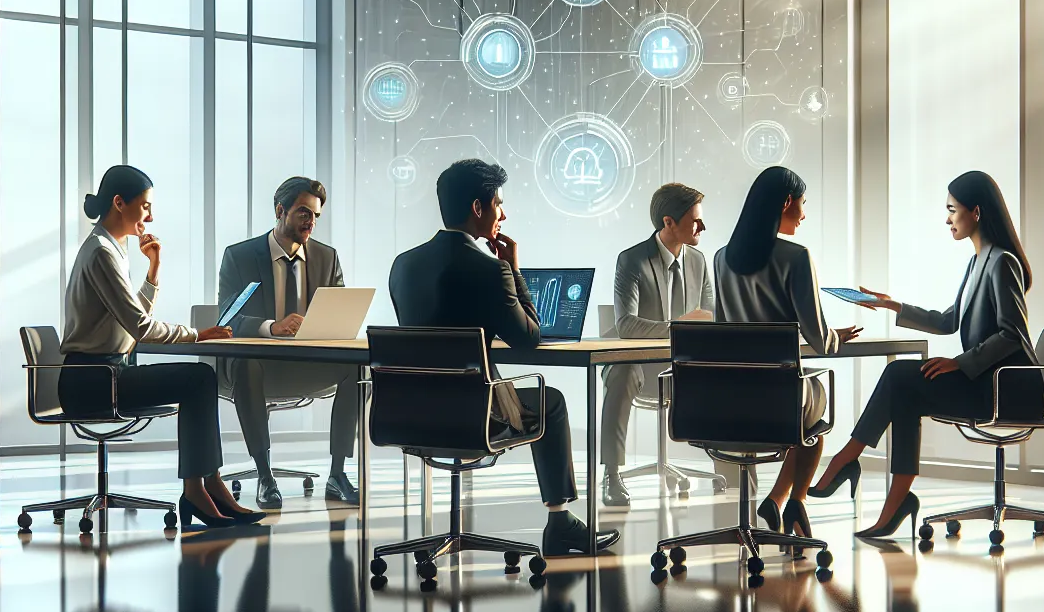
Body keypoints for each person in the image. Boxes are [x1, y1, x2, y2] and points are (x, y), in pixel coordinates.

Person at [388, 158, 620, 556]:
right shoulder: (489, 269)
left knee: (536, 400)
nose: (504, 214)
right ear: (478, 208)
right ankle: (560, 522)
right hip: (477, 413)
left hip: (413, 413)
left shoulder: (402, 265)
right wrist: (512, 268)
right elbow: (529, 337)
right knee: (552, 402)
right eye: (498, 204)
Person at [808, 170, 1043, 539]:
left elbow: (1013, 334)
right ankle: (895, 502)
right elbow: (949, 320)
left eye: (952, 210)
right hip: (984, 383)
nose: (947, 219)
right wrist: (892, 305)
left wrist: (959, 363)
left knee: (901, 377)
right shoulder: (977, 262)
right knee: (905, 386)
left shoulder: (1002, 262)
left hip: (1006, 389)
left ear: (976, 212)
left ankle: (845, 460)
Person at [59, 164, 261, 529]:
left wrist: (153, 268)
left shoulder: (111, 247)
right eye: (145, 205)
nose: (150, 216)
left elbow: (132, 320)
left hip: (106, 373)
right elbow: (140, 326)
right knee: (199, 378)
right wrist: (196, 334)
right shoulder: (102, 252)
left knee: (199, 378)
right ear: (119, 203)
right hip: (93, 379)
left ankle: (208, 484)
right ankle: (200, 488)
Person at [712, 166, 861, 548]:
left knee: (800, 413)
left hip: (731, 398)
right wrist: (833, 337)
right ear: (785, 203)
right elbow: (820, 340)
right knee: (814, 420)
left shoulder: (721, 257)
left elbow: (724, 330)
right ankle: (795, 500)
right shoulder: (796, 257)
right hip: (780, 397)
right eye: (802, 204)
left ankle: (778, 500)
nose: (804, 214)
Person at [216, 176, 361, 509]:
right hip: (257, 367)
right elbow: (227, 319)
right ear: (280, 211)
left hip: (307, 366)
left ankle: (338, 474)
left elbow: (339, 314)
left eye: (315, 216)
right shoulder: (240, 257)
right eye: (303, 213)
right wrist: (272, 327)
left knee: (356, 367)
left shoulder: (327, 258)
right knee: (248, 365)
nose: (311, 222)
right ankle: (265, 475)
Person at [598, 182, 715, 507]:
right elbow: (626, 325)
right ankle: (612, 473)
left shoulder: (699, 261)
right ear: (668, 222)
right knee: (622, 374)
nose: (702, 227)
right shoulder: (633, 261)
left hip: (684, 366)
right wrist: (680, 327)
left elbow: (711, 317)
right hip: (640, 366)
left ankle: (730, 463)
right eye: (695, 220)